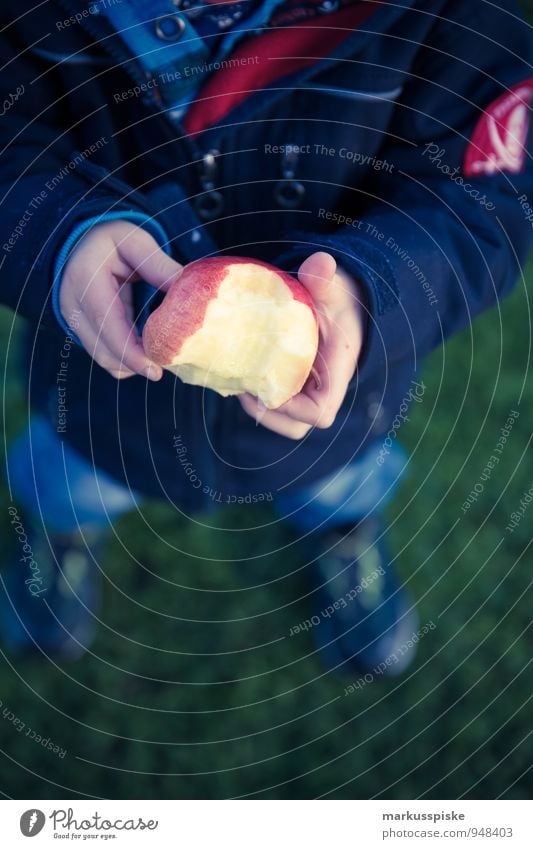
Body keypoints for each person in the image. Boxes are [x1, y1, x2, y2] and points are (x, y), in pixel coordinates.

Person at [0, 0, 532, 672]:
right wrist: (57, 238)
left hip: (333, 403)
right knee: (71, 481)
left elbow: (480, 204)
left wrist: (372, 292)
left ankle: (343, 533)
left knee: (341, 482)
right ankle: (62, 537)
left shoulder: (447, 22)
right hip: (100, 393)